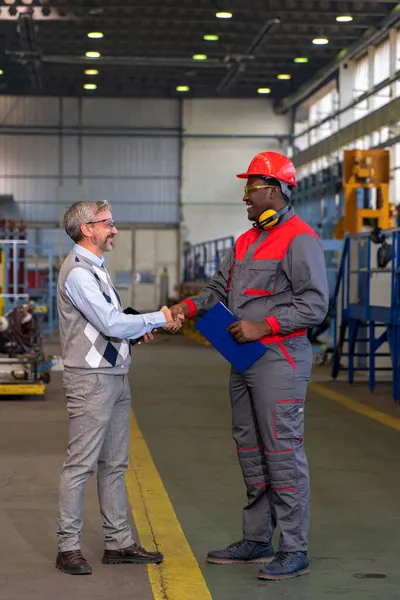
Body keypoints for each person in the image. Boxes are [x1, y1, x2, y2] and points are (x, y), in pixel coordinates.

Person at [169, 152, 329, 581]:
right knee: (250, 447)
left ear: (274, 191)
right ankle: (257, 539)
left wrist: (266, 325)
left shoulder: (300, 239)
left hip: (281, 356)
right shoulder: (246, 240)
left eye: (251, 189)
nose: (246, 197)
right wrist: (186, 307)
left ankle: (294, 548)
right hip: (243, 358)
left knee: (281, 449)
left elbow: (315, 305)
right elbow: (219, 287)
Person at [56, 200, 181, 576]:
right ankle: (68, 547)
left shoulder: (95, 270)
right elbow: (110, 324)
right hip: (90, 380)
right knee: (80, 464)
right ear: (86, 229)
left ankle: (118, 542)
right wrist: (158, 317)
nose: (114, 229)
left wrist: (136, 330)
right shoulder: (78, 273)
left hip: (113, 375)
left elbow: (108, 324)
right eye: (108, 223)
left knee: (114, 464)